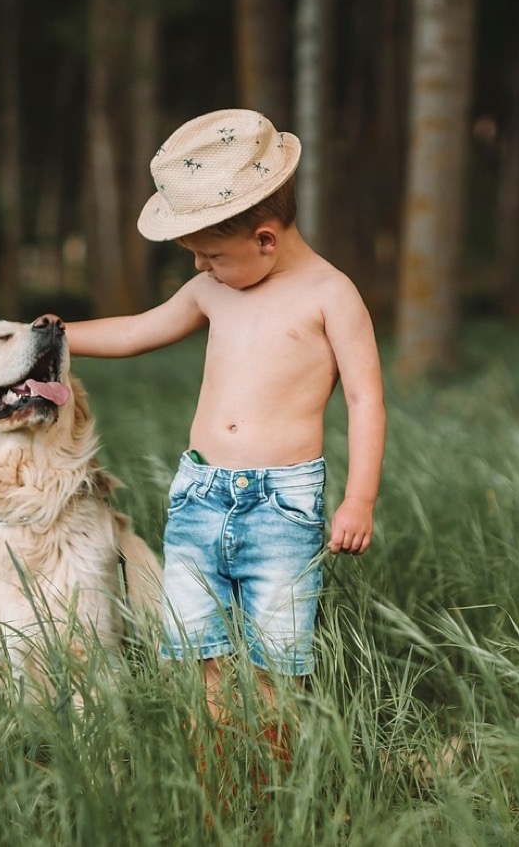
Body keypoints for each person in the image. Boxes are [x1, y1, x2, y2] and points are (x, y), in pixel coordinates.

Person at [51, 107, 384, 776]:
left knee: (274, 659)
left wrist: (358, 499)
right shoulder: (214, 288)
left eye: (211, 255)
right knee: (199, 650)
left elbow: (365, 398)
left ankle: (273, 786)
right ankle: (214, 779)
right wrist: (58, 334)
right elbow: (139, 330)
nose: (201, 267)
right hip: (200, 496)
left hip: (281, 507)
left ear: (265, 238)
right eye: (197, 257)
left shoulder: (330, 295)